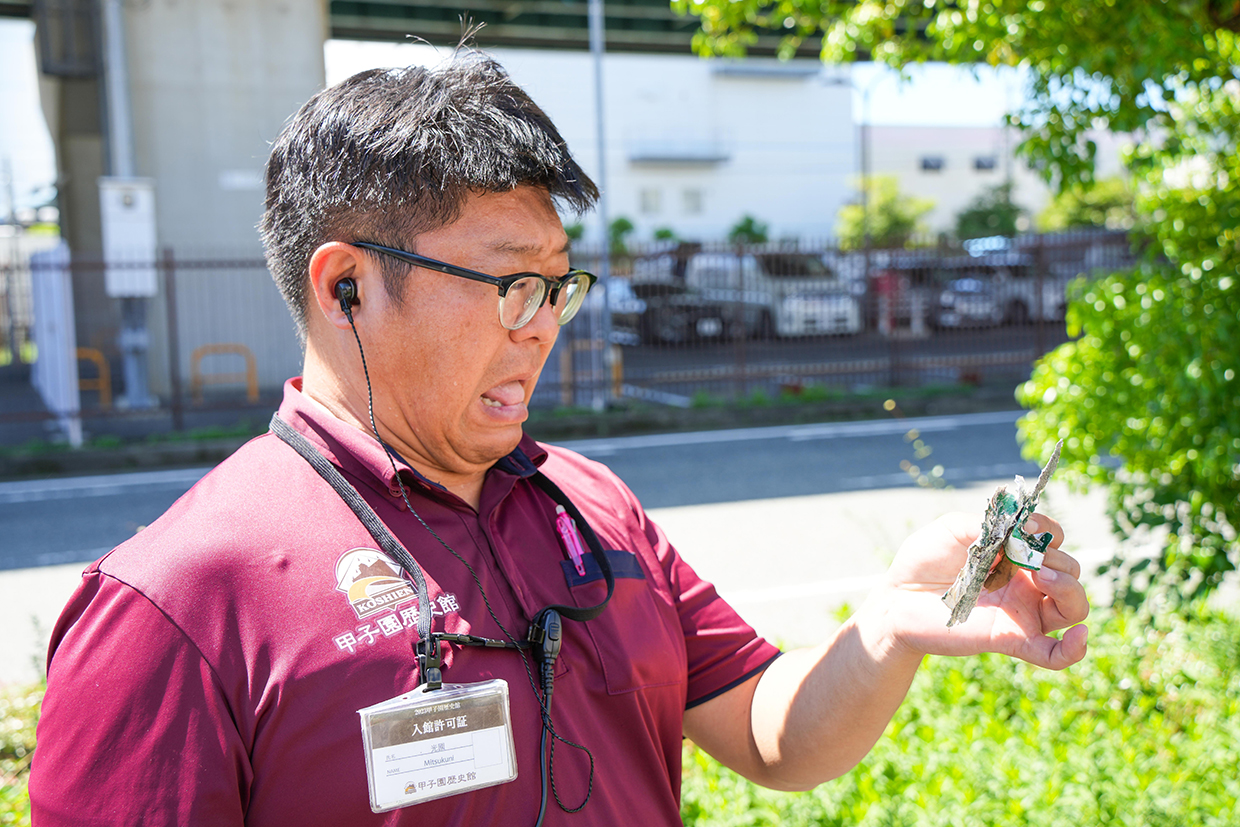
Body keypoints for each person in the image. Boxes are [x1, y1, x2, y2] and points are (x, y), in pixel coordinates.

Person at [28, 52, 1089, 825]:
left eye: (556, 283)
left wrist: (894, 621)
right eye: (507, 283)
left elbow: (772, 730)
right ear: (347, 283)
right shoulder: (176, 606)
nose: (542, 321)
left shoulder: (591, 506)